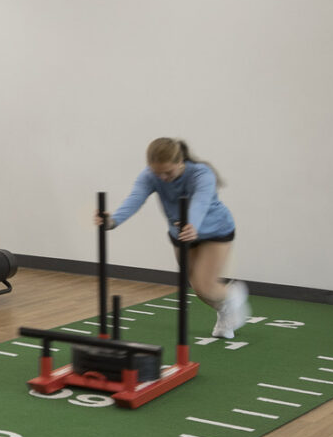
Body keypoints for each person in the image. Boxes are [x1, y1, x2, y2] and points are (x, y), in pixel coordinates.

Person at [102, 137, 250, 337]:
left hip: (215, 229)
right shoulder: (149, 176)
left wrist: (192, 224)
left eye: (168, 172)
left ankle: (233, 293)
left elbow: (201, 202)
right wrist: (113, 221)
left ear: (180, 162)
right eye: (157, 173)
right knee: (197, 287)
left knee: (205, 284)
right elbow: (135, 198)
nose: (162, 177)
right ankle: (224, 311)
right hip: (180, 232)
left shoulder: (201, 173)